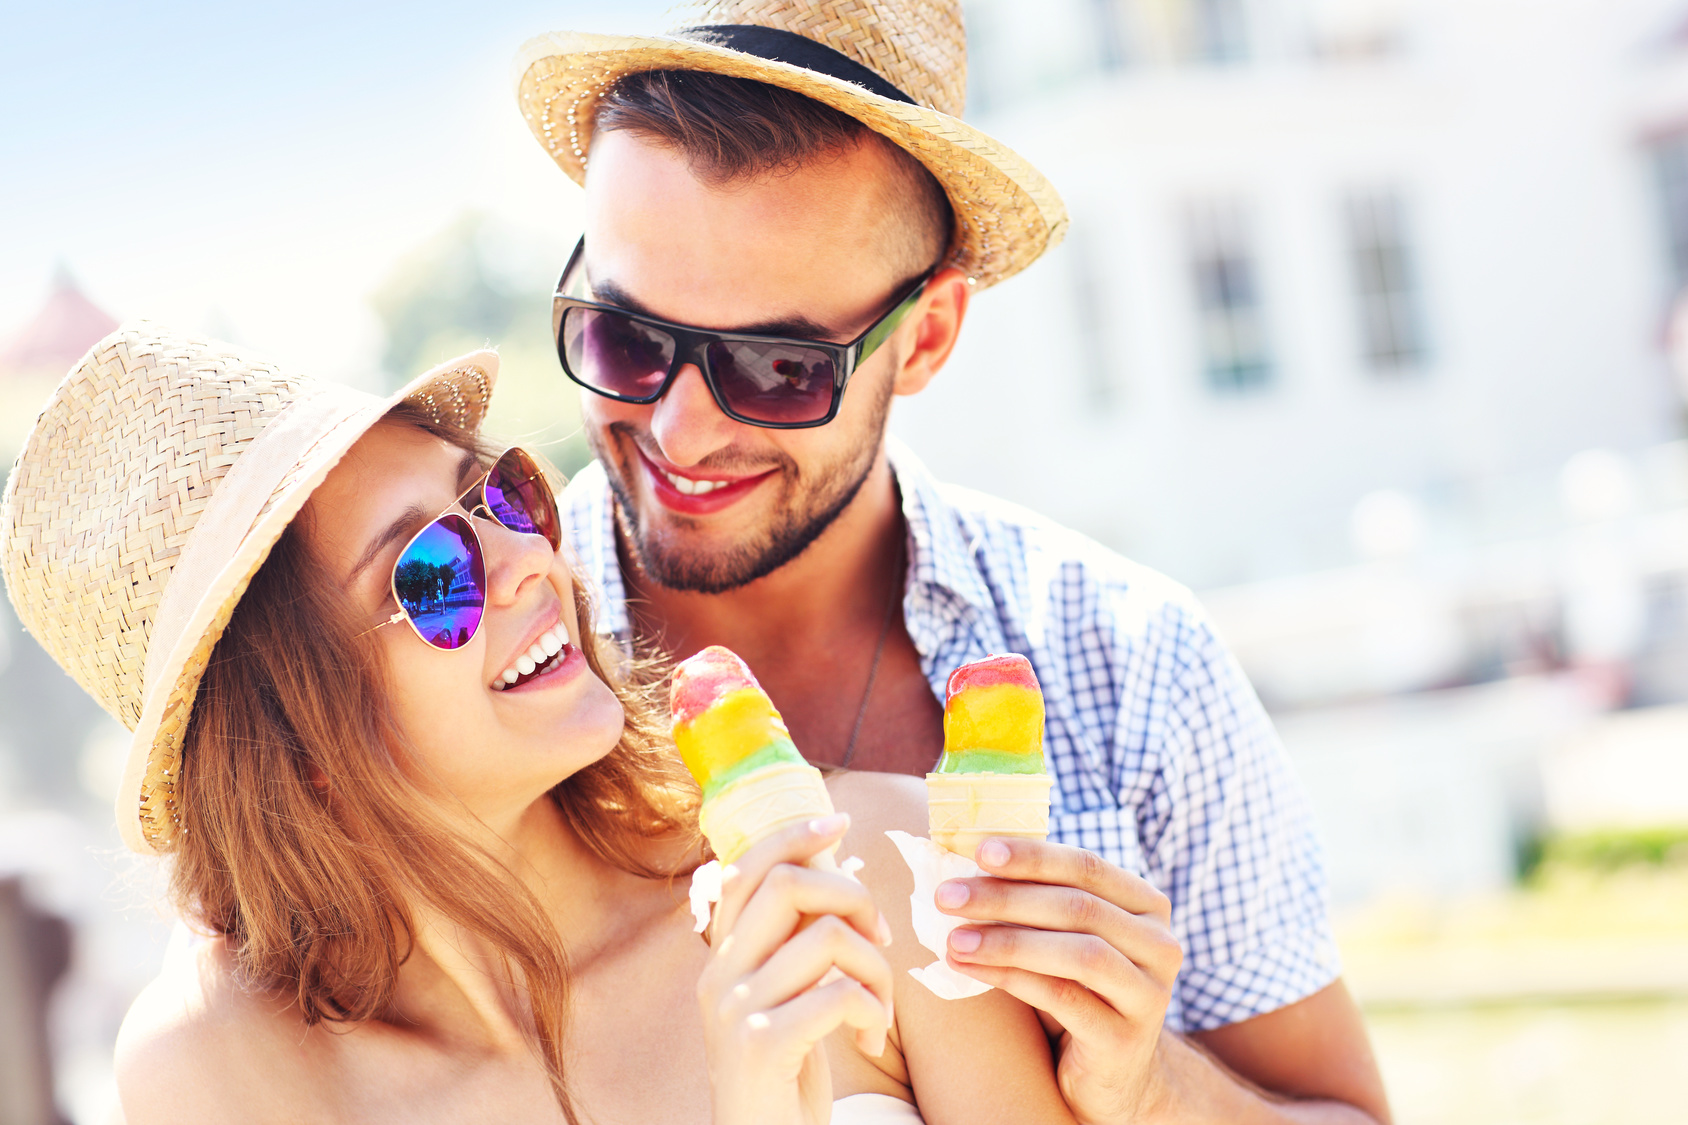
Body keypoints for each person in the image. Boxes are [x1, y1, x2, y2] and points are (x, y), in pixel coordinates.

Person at [514, 2, 1391, 1121]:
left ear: (925, 337)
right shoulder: (481, 680)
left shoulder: (1131, 666)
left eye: (777, 366)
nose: (679, 433)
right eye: (623, 336)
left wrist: (1152, 1087)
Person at [1, 325, 1081, 1123]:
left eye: (504, 497)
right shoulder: (230, 1074)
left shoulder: (867, 880)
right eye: (431, 574)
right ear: (294, 745)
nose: (530, 563)